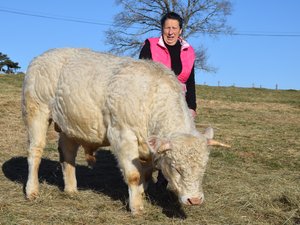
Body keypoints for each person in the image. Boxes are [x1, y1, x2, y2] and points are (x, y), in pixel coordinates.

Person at [139, 11, 197, 118]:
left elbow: (190, 83)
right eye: (167, 28)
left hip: (180, 108)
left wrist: (192, 107)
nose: (170, 32)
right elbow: (141, 77)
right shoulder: (150, 46)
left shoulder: (189, 51)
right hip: (153, 106)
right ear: (162, 29)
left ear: (180, 31)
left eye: (174, 28)